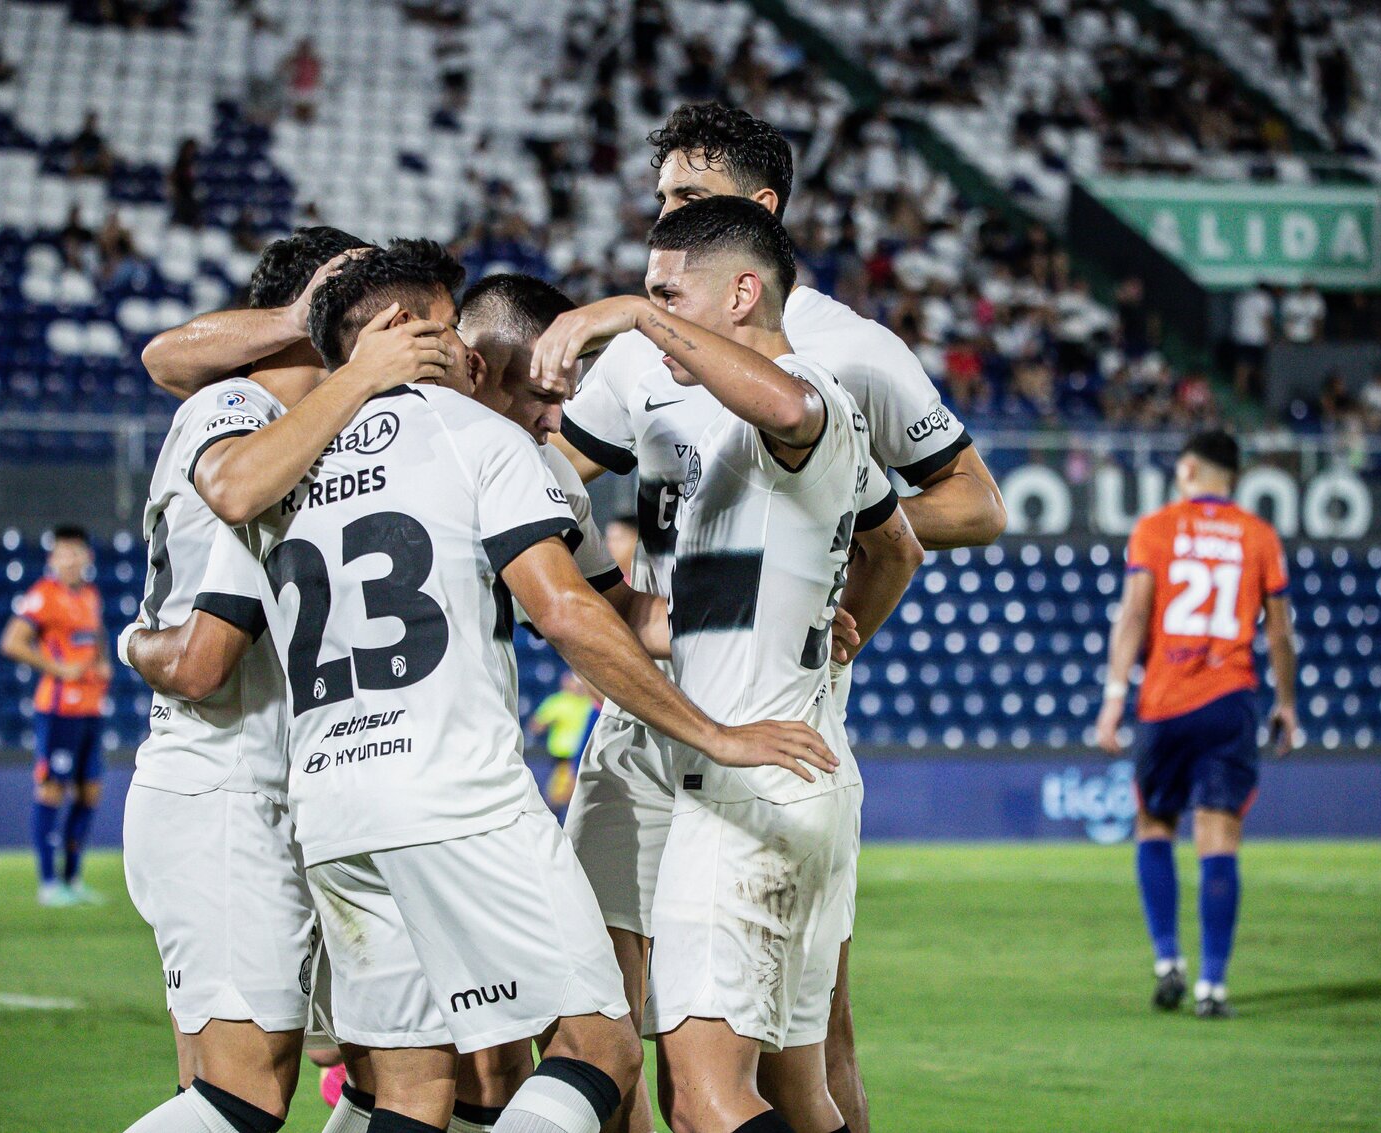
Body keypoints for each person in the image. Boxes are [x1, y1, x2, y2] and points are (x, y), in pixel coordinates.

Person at [142, 240, 837, 1133]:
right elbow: (570, 612)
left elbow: (220, 557)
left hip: (331, 810)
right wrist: (717, 733)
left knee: (409, 1088)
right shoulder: (479, 438)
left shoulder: (284, 459)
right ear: (405, 331)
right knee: (600, 1049)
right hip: (456, 793)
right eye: (447, 327)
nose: (467, 350)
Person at [549, 102, 1004, 1133]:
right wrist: (618, 599)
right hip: (648, 710)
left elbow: (971, 505)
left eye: (688, 195)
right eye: (661, 196)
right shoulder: (644, 347)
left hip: (769, 713)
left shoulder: (842, 354)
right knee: (598, 1030)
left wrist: (825, 562)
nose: (664, 213)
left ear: (757, 214)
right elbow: (543, 483)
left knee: (800, 1054)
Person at [113, 226, 392, 1133]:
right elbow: (202, 660)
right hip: (227, 789)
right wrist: (134, 643)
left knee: (379, 1070)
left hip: (274, 792)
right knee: (242, 1098)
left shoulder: (302, 435)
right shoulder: (241, 417)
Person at [1094, 430, 1298, 1019]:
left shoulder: (1155, 528)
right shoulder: (1259, 535)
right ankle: (1213, 985)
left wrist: (1114, 697)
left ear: (1187, 470)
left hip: (1165, 702)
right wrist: (1287, 703)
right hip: (1231, 701)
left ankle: (1168, 961)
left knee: (1155, 825)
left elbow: (1134, 613)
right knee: (1219, 837)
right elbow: (1279, 632)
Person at [0, 525, 111, 907]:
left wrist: (103, 663)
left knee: (89, 791)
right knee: (51, 790)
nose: (70, 559)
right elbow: (12, 642)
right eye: (63, 552)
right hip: (59, 709)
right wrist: (57, 669)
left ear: (87, 557)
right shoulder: (44, 595)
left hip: (91, 708)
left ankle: (72, 878)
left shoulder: (91, 595)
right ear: (52, 558)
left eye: (76, 552)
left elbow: (95, 637)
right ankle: (48, 884)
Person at [529, 672, 600, 815]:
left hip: (583, 754)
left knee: (570, 794)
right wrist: (547, 722)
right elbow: (536, 725)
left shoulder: (588, 702)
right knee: (559, 794)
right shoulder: (557, 701)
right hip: (562, 756)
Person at [1229, 282, 1274, 398]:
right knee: (1259, 368)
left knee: (1242, 367)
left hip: (1241, 336)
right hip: (1256, 338)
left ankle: (1239, 394)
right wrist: (1270, 337)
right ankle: (1264, 396)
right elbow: (1266, 319)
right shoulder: (1264, 298)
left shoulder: (1242, 296)